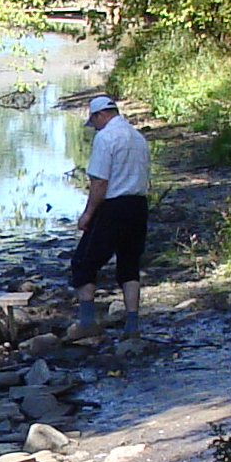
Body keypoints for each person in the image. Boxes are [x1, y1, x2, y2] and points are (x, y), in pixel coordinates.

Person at [68, 93, 150, 340]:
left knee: (83, 262)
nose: (95, 129)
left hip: (113, 206)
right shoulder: (138, 137)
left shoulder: (106, 138)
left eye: (94, 123)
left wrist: (88, 214)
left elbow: (100, 182)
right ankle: (132, 324)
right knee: (129, 263)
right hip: (138, 204)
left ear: (99, 115)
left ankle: (86, 322)